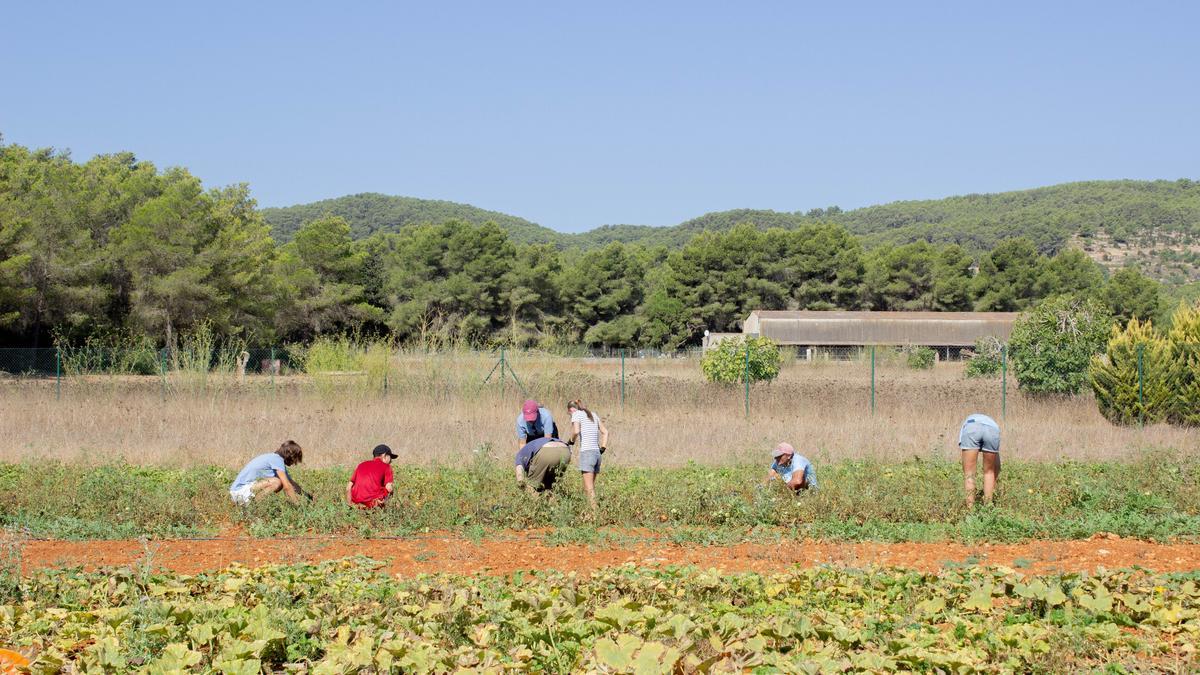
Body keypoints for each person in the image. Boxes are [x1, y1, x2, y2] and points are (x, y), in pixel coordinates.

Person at [230, 440, 310, 505]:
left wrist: (308, 497)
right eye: (295, 459)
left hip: (241, 492)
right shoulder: (277, 460)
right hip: (240, 492)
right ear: (290, 455)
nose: (294, 463)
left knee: (279, 481)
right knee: (277, 482)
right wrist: (298, 505)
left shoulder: (275, 459)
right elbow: (287, 486)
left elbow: (291, 483)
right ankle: (253, 507)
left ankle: (253, 506)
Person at [566, 399, 608, 511]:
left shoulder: (576, 414)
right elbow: (605, 432)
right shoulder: (593, 414)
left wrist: (571, 441)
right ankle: (587, 511)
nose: (570, 415)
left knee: (589, 489)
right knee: (589, 487)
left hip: (587, 453)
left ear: (571, 410)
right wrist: (603, 447)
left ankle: (595, 515)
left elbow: (575, 431)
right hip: (597, 454)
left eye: (569, 413)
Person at [959, 413, 1001, 507]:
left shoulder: (966, 424)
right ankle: (988, 509)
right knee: (989, 472)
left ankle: (970, 512)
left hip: (972, 426)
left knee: (969, 474)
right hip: (992, 429)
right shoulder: (991, 423)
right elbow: (997, 466)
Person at [347, 444, 397, 508]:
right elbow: (389, 488)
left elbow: (348, 488)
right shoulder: (386, 466)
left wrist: (350, 505)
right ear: (384, 455)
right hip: (373, 504)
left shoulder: (361, 465)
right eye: (390, 457)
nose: (391, 461)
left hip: (356, 504)